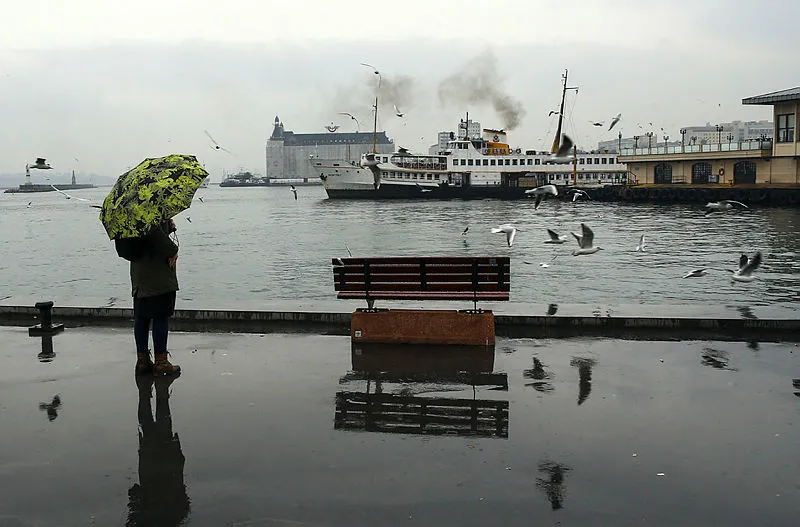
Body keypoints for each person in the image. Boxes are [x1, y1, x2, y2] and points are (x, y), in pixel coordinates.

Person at [127, 375, 190, 525]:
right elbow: (181, 498)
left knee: (152, 429)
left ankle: (143, 360)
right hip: (162, 476)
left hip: (155, 478)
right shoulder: (176, 515)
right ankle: (158, 360)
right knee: (158, 428)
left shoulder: (175, 515)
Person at [133, 219, 181, 376]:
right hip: (158, 273)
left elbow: (147, 238)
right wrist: (173, 249)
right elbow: (157, 238)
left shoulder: (132, 212)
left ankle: (142, 361)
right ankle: (161, 362)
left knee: (142, 317)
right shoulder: (152, 212)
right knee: (161, 316)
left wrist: (168, 228)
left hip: (139, 272)